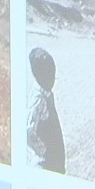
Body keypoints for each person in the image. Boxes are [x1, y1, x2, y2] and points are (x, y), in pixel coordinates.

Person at [28, 45, 66, 173]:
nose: (52, 80)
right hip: (47, 164)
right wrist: (44, 152)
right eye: (49, 76)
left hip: (55, 159)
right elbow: (28, 131)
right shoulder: (38, 100)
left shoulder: (47, 93)